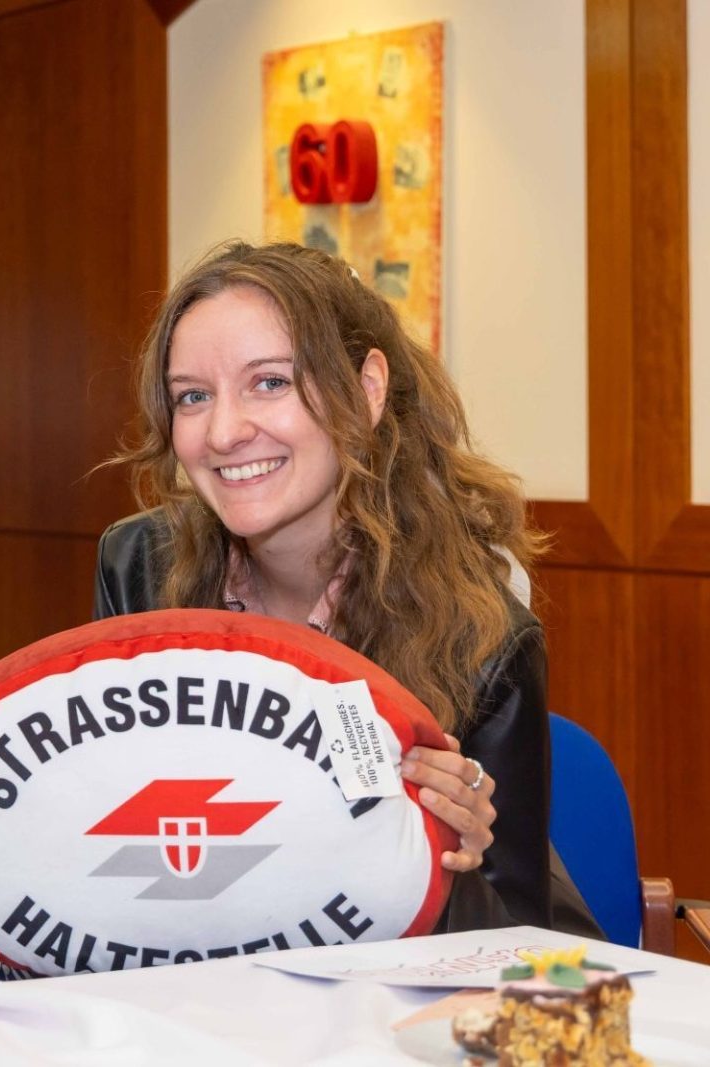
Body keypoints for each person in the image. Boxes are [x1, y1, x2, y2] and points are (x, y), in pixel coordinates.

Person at [94, 241, 596, 935]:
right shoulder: (137, 570)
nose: (224, 431)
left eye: (269, 382)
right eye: (193, 396)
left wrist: (456, 859)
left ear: (366, 390)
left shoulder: (483, 639)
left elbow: (505, 946)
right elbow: (118, 860)